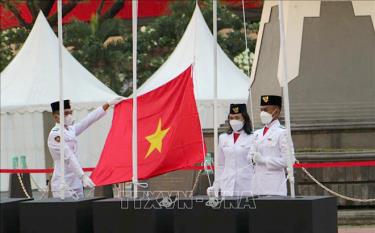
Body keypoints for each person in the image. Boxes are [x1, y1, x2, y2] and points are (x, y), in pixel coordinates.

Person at [48, 97, 124, 198]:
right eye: (66, 114)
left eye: (70, 112)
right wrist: (82, 176)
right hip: (63, 182)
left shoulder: (70, 129)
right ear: (56, 116)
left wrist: (107, 104)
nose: (69, 116)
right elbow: (69, 156)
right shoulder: (55, 135)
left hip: (76, 181)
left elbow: (88, 120)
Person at [248, 95, 295, 196]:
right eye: (261, 110)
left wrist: (264, 160)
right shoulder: (257, 133)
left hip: (274, 186)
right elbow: (250, 157)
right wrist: (252, 158)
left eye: (265, 110)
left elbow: (289, 160)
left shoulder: (282, 133)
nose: (262, 113)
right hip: (257, 185)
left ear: (276, 111)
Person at [207, 104, 254, 197]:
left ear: (244, 118)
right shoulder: (223, 138)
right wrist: (216, 185)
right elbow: (220, 164)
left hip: (246, 185)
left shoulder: (253, 137)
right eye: (231, 118)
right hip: (227, 184)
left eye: (237, 117)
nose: (234, 120)